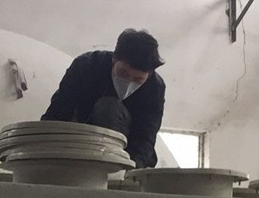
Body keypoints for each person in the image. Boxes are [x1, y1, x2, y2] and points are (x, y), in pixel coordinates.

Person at [42, 28, 166, 168]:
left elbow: (146, 136)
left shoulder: (155, 88)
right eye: (123, 73)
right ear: (114, 59)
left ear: (149, 75)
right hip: (77, 143)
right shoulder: (86, 67)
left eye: (138, 80)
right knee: (108, 108)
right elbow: (57, 113)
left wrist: (131, 168)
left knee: (111, 110)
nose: (129, 83)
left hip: (126, 153)